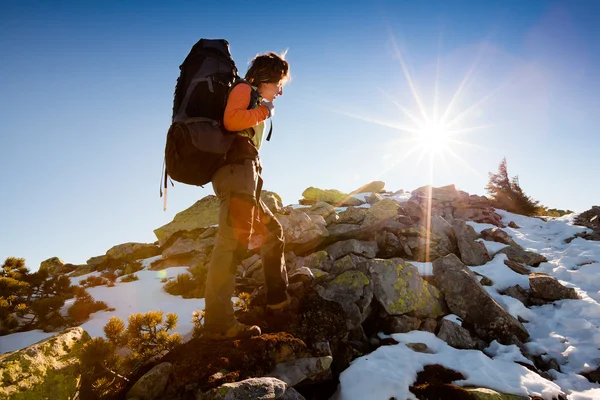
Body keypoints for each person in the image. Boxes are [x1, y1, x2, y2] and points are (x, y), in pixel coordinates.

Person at [203, 52, 291, 340]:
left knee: (272, 233)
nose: (279, 91)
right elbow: (231, 121)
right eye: (279, 84)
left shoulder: (253, 96)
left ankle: (278, 302)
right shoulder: (243, 90)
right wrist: (264, 111)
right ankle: (218, 324)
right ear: (266, 78)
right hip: (235, 173)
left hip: (246, 176)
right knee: (231, 244)